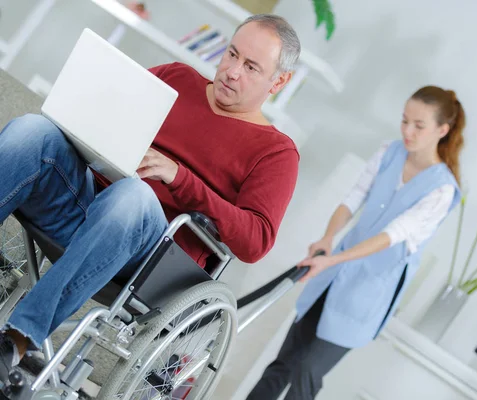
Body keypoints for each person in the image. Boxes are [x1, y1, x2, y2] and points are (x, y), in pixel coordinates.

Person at [0, 14, 301, 371]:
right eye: (232, 54)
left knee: (135, 196)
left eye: (251, 67)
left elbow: (256, 242)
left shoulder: (276, 152)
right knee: (32, 131)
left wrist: (180, 179)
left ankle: (17, 342)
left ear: (279, 81)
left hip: (146, 259)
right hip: (83, 203)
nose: (232, 71)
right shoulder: (175, 78)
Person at [247, 86, 466, 400]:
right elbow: (352, 199)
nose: (407, 131)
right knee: (283, 364)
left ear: (442, 130)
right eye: (405, 121)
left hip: (365, 295)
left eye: (419, 126)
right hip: (331, 277)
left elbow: (392, 234)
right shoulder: (388, 152)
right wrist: (327, 238)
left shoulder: (442, 190)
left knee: (307, 373)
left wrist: (332, 259)